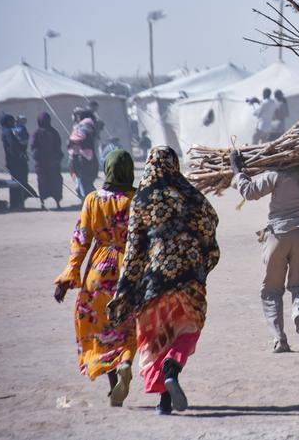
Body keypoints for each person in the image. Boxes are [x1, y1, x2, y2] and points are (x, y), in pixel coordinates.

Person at [107, 146, 220, 415]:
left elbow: (134, 248)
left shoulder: (143, 198)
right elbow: (210, 224)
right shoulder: (192, 194)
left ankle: (163, 402)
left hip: (154, 280)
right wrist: (202, 261)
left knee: (154, 339)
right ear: (174, 164)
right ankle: (173, 368)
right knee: (188, 327)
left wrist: (126, 287)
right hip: (189, 277)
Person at [229, 150, 299, 353]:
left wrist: (237, 170)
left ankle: (279, 339)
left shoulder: (277, 174)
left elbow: (250, 192)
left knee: (271, 290)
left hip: (277, 237)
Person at [53, 149, 138, 406]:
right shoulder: (138, 199)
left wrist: (67, 279)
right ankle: (125, 361)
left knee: (101, 329)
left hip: (99, 273)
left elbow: (80, 240)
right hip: (131, 271)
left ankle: (114, 386)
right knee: (130, 326)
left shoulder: (92, 200)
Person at [31, 112, 64, 209]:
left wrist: (57, 158)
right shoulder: (38, 133)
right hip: (44, 163)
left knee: (54, 182)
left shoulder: (51, 132)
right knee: (44, 182)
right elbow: (34, 147)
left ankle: (55, 202)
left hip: (50, 162)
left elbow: (58, 146)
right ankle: (44, 203)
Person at [0, 115, 32, 210]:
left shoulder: (6, 131)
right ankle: (18, 203)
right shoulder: (8, 132)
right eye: (11, 120)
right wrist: (21, 152)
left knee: (16, 182)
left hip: (12, 160)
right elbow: (13, 146)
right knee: (19, 182)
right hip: (16, 161)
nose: (13, 122)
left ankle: (17, 203)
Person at [68, 113, 99, 201]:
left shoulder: (82, 130)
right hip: (90, 160)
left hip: (83, 160)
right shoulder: (90, 129)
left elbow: (74, 143)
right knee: (86, 182)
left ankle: (90, 201)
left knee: (84, 182)